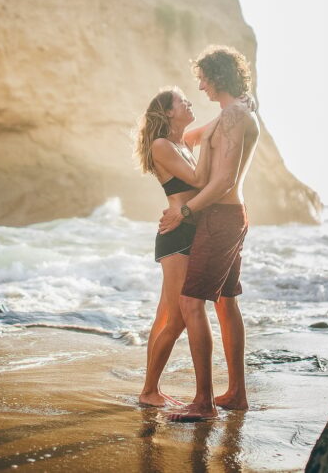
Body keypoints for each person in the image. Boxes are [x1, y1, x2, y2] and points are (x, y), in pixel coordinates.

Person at [158, 45, 260, 421]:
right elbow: (188, 139)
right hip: (231, 215)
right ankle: (236, 393)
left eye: (202, 77)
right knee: (225, 301)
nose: (199, 85)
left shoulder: (234, 115)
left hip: (220, 216)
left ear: (218, 76)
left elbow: (223, 181)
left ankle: (203, 402)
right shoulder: (231, 114)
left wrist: (184, 211)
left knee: (190, 302)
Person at [134, 86, 218, 407]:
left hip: (187, 232)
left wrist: (240, 106)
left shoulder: (182, 141)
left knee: (165, 315)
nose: (189, 103)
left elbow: (213, 128)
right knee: (178, 318)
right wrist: (208, 143)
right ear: (169, 112)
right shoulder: (162, 145)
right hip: (176, 236)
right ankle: (148, 391)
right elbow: (198, 179)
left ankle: (149, 388)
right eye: (183, 101)